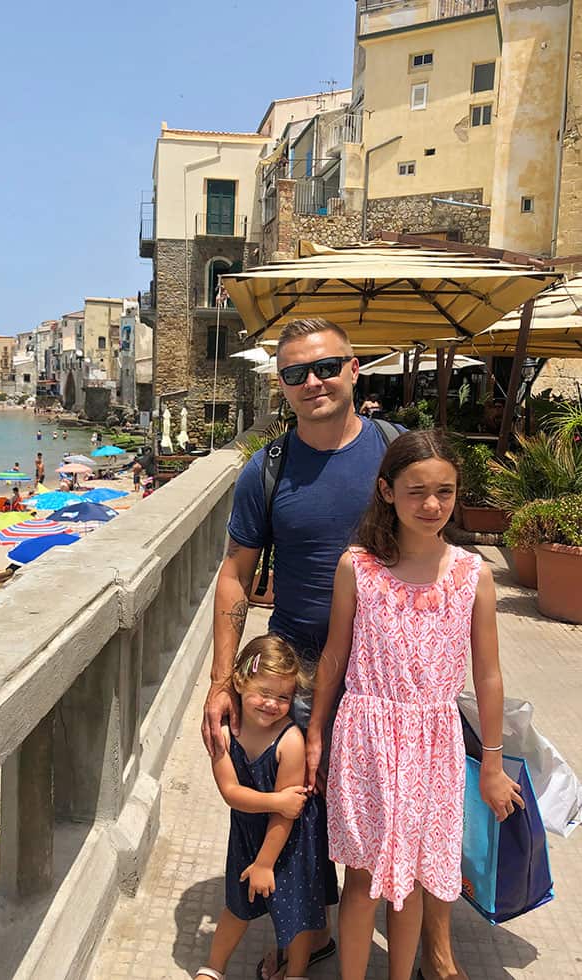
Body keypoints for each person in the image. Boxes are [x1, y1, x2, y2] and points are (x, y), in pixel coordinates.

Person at [202, 318, 465, 980]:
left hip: (390, 666)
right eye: (294, 374)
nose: (311, 382)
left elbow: (438, 553)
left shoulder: (393, 454)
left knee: (415, 803)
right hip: (296, 667)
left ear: (354, 370)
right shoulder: (266, 469)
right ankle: (312, 931)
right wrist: (217, 682)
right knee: (305, 804)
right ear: (281, 388)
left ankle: (435, 943)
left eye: (324, 367)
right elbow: (234, 573)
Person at [307, 429, 523, 980]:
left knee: (415, 884)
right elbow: (334, 657)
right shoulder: (357, 567)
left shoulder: (473, 576)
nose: (431, 505)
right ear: (386, 491)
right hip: (365, 736)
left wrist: (492, 764)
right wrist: (316, 733)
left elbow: (489, 675)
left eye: (444, 492)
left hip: (435, 742)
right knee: (361, 881)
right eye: (416, 491)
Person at [195, 635, 328, 980]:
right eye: (264, 693)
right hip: (247, 833)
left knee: (296, 914)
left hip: (289, 838)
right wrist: (276, 802)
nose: (272, 704)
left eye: (283, 697)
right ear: (239, 681)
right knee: (236, 907)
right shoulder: (224, 735)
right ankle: (213, 967)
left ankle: (296, 971)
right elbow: (229, 791)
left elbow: (289, 813)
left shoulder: (291, 742)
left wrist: (266, 863)